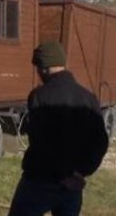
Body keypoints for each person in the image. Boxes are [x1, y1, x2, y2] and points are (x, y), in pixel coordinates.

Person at [8, 41, 109, 216]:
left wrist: (63, 175)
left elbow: (42, 143)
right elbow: (100, 142)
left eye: (37, 67)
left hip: (40, 180)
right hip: (73, 185)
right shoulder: (88, 98)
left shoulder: (39, 96)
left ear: (43, 67)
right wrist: (80, 173)